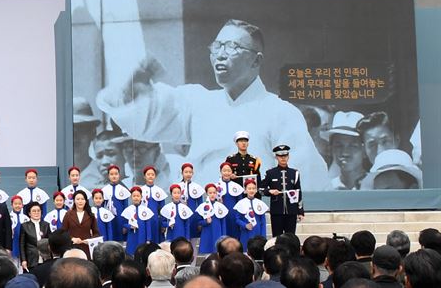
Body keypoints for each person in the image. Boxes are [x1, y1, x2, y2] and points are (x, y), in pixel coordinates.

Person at [96, 19, 329, 191]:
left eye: (232, 47)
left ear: (256, 60)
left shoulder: (280, 113)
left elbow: (306, 181)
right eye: (217, 47)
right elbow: (148, 120)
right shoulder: (199, 102)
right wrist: (133, 88)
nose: (220, 55)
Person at [261, 145, 304, 237]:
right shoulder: (270, 173)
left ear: (288, 156)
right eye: (280, 156)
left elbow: (298, 191)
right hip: (277, 211)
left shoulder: (294, 173)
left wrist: (300, 211)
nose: (283, 158)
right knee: (277, 237)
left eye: (285, 156)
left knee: (291, 237)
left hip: (291, 210)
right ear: (276, 157)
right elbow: (260, 189)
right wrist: (269, 191)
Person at [322, 111, 368, 190]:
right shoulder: (328, 189)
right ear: (331, 149)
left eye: (353, 146)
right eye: (339, 146)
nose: (345, 153)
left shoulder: (376, 185)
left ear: (364, 151)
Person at [62, 190, 100, 258]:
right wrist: (72, 239)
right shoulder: (68, 214)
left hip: (86, 248)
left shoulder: (91, 215)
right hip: (72, 249)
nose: (80, 201)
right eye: (78, 199)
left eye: (82, 199)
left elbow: (96, 233)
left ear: (86, 201)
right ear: (74, 201)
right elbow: (63, 232)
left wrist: (89, 241)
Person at [234, 179, 268, 252]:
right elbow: (237, 219)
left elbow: (263, 222)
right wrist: (245, 225)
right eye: (249, 188)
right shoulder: (241, 203)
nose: (251, 190)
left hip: (257, 233)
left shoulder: (260, 203)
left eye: (253, 188)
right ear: (245, 190)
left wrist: (263, 236)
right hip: (246, 233)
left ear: (256, 190)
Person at [196, 183, 229, 254]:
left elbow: (223, 223)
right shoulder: (202, 206)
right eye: (210, 193)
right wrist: (206, 222)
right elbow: (198, 222)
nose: (212, 194)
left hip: (218, 233)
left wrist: (224, 237)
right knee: (207, 254)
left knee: (217, 252)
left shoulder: (220, 206)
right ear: (207, 194)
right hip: (206, 233)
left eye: (214, 192)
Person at [122, 186, 154, 256]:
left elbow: (148, 226)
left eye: (138, 196)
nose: (136, 198)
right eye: (134, 196)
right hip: (132, 236)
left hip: (142, 236)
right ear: (131, 197)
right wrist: (130, 226)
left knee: (142, 253)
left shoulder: (146, 210)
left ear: (141, 197)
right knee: (131, 253)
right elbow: (124, 224)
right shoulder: (128, 210)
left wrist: (148, 239)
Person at [19, 202, 51, 272]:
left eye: (38, 211)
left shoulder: (46, 225)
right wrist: (23, 260)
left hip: (45, 259)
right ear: (29, 213)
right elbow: (22, 245)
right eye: (34, 211)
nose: (36, 213)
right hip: (31, 259)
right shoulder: (24, 226)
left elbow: (50, 242)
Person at [72, 97, 101, 174]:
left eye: (81, 128)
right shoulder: (56, 175)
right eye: (69, 129)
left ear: (93, 133)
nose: (74, 136)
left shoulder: (104, 177)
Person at [101, 164, 129, 242]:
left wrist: (125, 225)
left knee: (121, 239)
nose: (114, 176)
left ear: (119, 175)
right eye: (111, 174)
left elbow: (126, 208)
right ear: (108, 176)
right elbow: (102, 207)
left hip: (121, 220)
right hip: (109, 219)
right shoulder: (104, 190)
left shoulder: (123, 190)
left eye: (116, 174)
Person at [140, 165, 166, 243]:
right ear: (144, 176)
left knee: (156, 242)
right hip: (143, 220)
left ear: (155, 176)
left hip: (155, 221)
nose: (150, 176)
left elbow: (162, 209)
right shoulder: (140, 190)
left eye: (152, 174)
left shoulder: (159, 191)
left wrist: (163, 224)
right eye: (148, 174)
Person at [178, 163, 204, 240]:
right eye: (186, 172)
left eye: (190, 172)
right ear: (182, 173)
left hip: (194, 217)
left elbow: (200, 205)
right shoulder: (177, 187)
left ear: (193, 173)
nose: (188, 174)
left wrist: (200, 221)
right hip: (181, 216)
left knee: (194, 239)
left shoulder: (197, 187)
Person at [217, 162, 242, 238]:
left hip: (233, 215)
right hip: (220, 214)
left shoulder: (237, 187)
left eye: (228, 171)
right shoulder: (216, 186)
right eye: (224, 171)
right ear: (221, 172)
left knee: (235, 235)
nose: (226, 173)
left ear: (232, 172)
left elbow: (240, 203)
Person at [9, 195, 28, 266]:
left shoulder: (26, 218)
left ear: (22, 205)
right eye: (15, 204)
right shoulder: (8, 217)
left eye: (19, 204)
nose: (17, 206)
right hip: (13, 242)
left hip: (23, 242)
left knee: (22, 262)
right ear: (12, 205)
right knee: (13, 263)